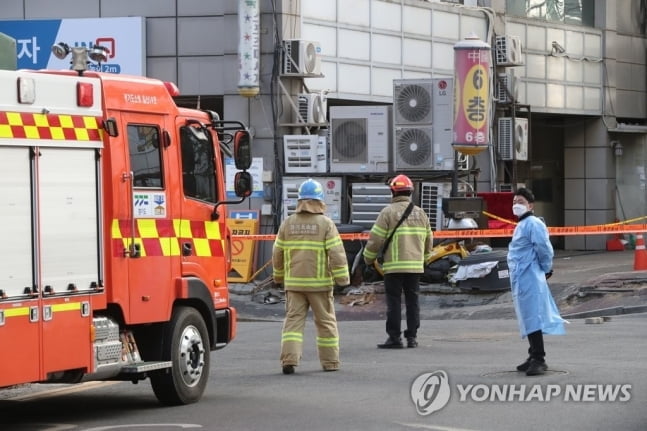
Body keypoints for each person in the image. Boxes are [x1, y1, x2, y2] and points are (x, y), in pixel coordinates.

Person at [273, 179, 350, 374]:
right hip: (319, 285)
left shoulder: (287, 223)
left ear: (300, 200)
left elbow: (277, 252)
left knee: (293, 322)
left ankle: (289, 361)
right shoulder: (326, 224)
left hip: (294, 285)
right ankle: (330, 362)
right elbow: (337, 253)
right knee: (325, 323)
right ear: (319, 200)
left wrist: (279, 277)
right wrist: (343, 280)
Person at [363, 174, 433, 349]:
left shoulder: (388, 212)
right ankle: (412, 338)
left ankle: (394, 338)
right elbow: (429, 240)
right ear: (410, 192)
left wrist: (368, 259)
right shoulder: (420, 213)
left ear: (393, 192)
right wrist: (424, 259)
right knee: (412, 301)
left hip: (393, 267)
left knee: (394, 302)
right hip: (415, 267)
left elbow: (375, 239)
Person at [507, 187, 566, 376]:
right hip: (522, 277)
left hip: (530, 276)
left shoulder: (533, 223)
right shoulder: (522, 225)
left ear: (530, 206)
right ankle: (533, 355)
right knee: (527, 316)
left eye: (521, 202)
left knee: (533, 317)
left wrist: (546, 269)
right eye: (515, 202)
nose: (516, 205)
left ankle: (539, 359)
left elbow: (544, 249)